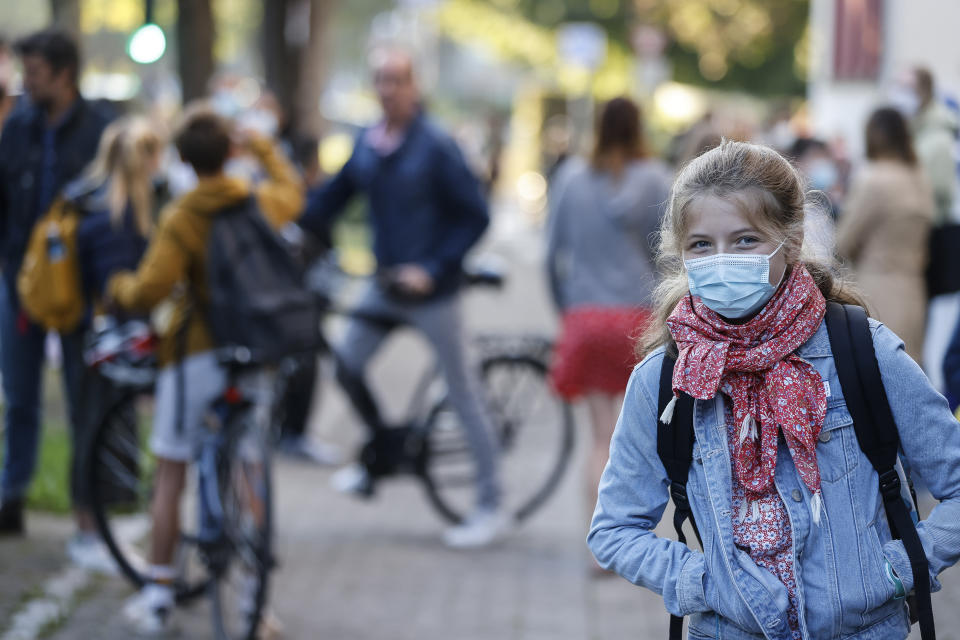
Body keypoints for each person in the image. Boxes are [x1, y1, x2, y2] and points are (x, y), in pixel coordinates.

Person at [588, 140, 960, 639]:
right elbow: (614, 528)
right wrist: (703, 581)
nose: (722, 260)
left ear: (791, 239)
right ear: (681, 254)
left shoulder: (864, 352)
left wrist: (893, 568)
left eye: (745, 240)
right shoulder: (667, 378)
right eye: (701, 245)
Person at [103, 106, 303, 634]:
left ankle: (158, 595)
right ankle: (255, 604)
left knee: (171, 472)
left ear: (185, 161)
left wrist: (118, 288)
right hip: (252, 349)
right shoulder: (256, 203)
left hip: (195, 355)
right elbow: (293, 190)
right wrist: (259, 145)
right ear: (230, 153)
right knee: (250, 469)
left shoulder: (183, 216)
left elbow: (150, 289)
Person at [298, 49, 505, 549]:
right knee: (346, 362)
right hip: (383, 285)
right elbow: (334, 197)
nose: (387, 89)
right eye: (380, 80)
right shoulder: (368, 142)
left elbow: (475, 215)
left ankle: (491, 506)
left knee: (463, 393)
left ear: (413, 87)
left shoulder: (436, 145)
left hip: (433, 292)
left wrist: (432, 270)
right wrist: (288, 225)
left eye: (396, 80)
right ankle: (383, 451)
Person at [0, 29, 110, 535]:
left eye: (35, 74)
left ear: (64, 76)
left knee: (82, 397)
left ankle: (87, 512)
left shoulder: (99, 132)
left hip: (79, 291)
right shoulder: (17, 128)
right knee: (19, 396)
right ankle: (12, 496)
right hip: (21, 282)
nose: (25, 83)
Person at [545, 96, 671, 537]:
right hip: (639, 321)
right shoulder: (656, 179)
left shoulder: (570, 178)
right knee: (630, 440)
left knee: (599, 438)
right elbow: (669, 257)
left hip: (587, 319)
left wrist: (568, 310)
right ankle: (630, 536)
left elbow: (551, 256)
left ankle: (600, 542)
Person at [836, 108, 934, 361]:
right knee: (911, 372)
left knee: (877, 370)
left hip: (875, 287)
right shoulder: (920, 178)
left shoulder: (873, 178)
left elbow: (844, 241)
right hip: (914, 289)